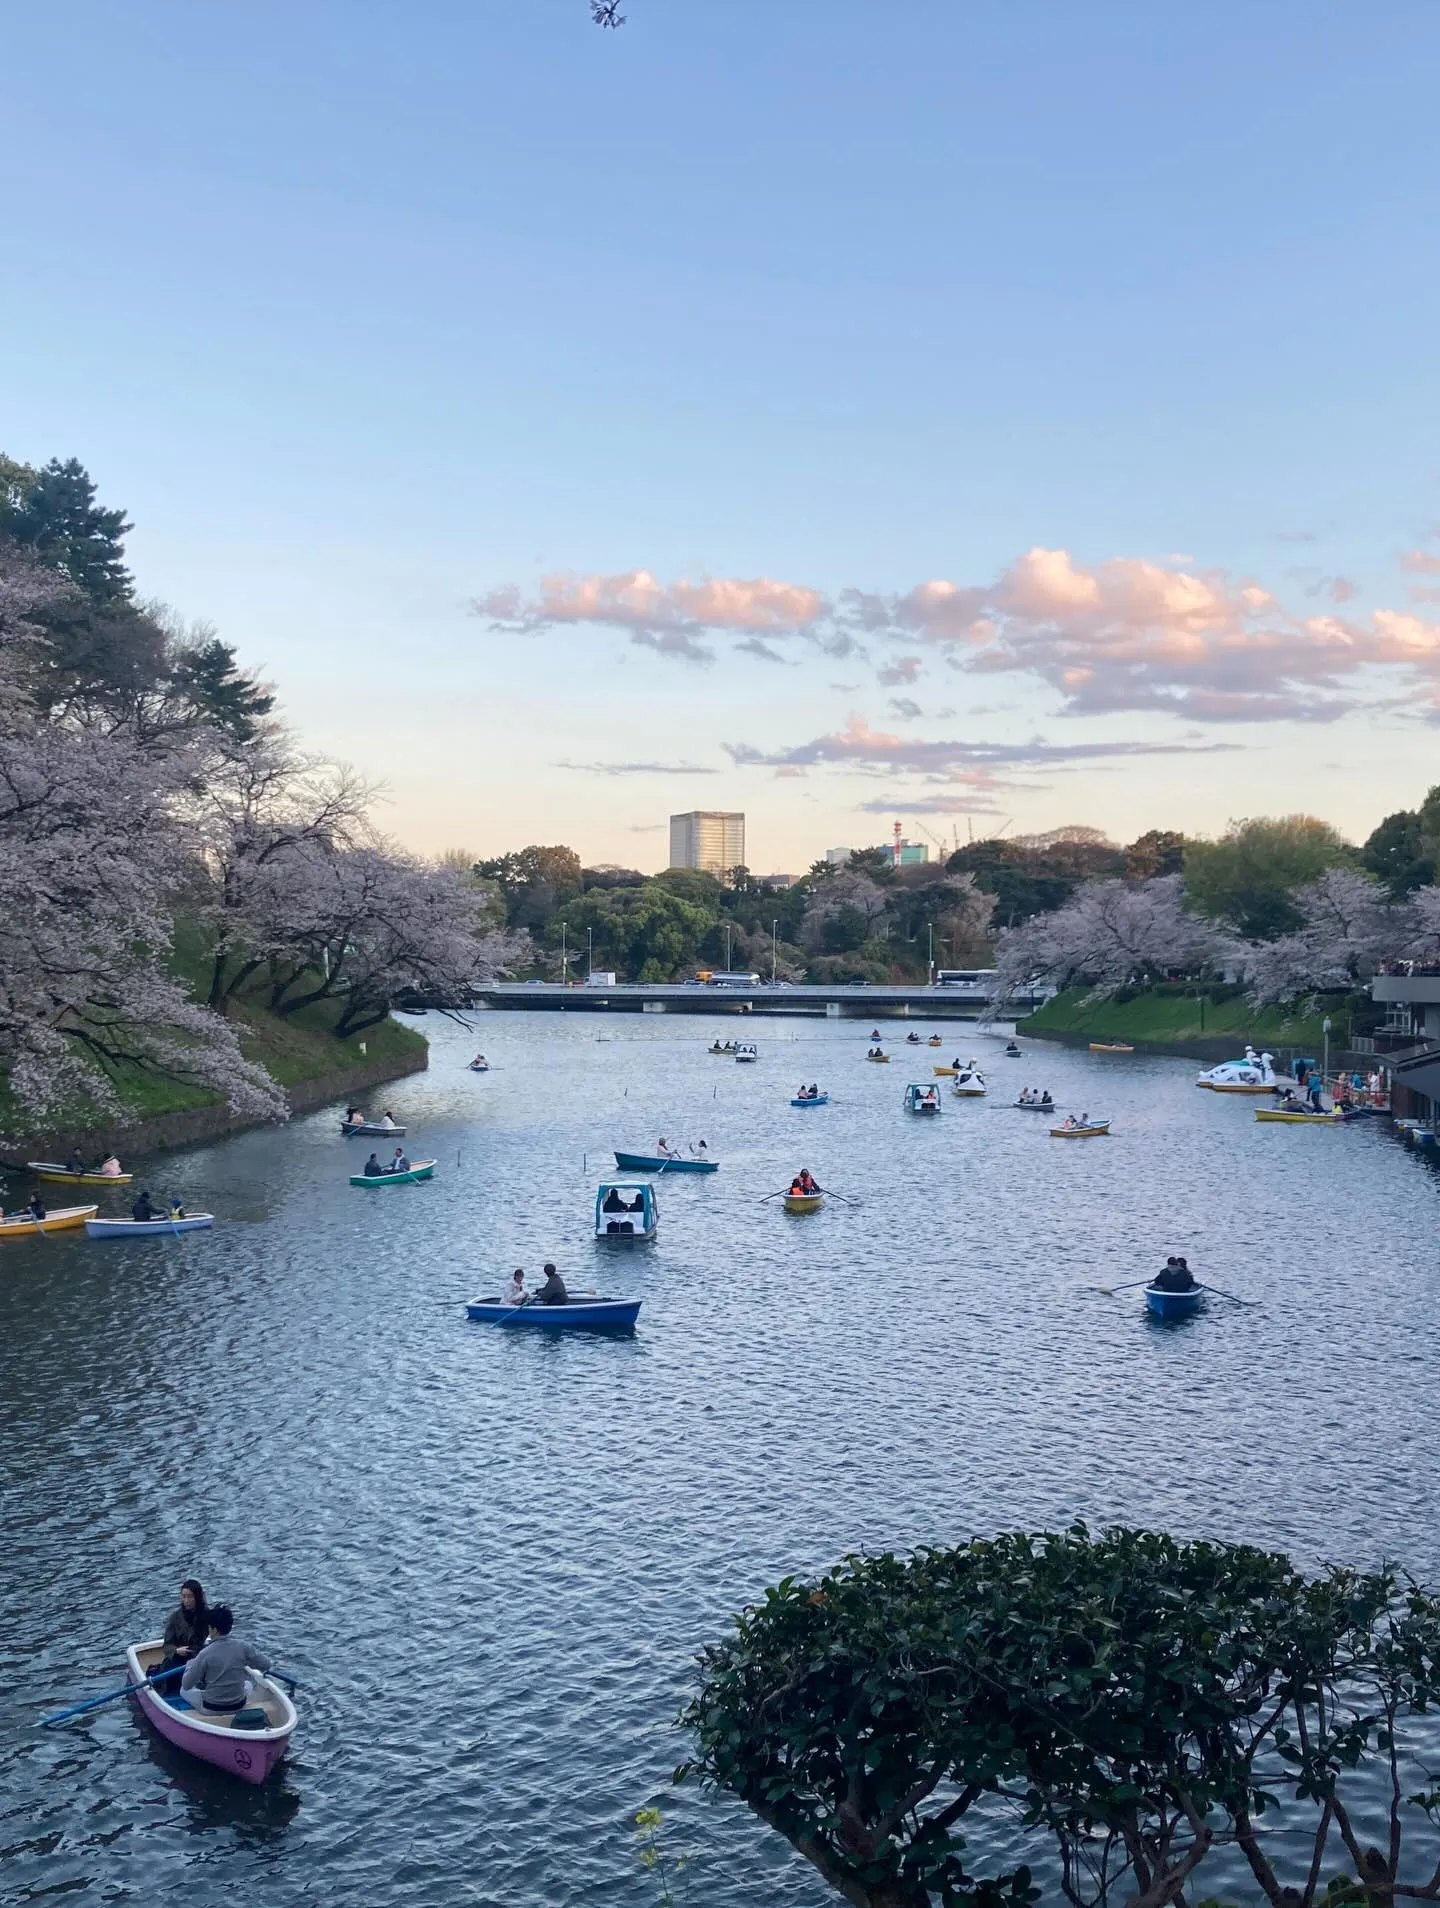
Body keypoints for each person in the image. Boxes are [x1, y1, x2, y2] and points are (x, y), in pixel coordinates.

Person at [180, 1605, 272, 1715]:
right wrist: (246, 1662)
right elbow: (266, 1664)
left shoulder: (204, 1654)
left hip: (212, 1708)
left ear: (213, 1629)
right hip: (239, 1705)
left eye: (209, 1627)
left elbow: (186, 1684)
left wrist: (190, 1665)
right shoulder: (243, 1647)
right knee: (248, 1683)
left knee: (183, 1690)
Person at [152, 1578, 210, 1692]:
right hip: (178, 1660)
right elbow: (167, 1645)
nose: (186, 1600)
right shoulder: (175, 1618)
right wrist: (177, 1650)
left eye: (190, 1597)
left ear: (197, 1598)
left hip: (197, 1657)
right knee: (175, 1680)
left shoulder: (205, 1615)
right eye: (184, 1597)